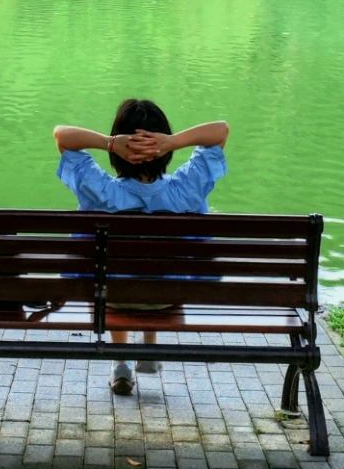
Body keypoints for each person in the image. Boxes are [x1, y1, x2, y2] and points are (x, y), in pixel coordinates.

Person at [53, 99, 230, 395]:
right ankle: (149, 348)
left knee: (115, 273)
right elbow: (221, 131)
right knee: (161, 265)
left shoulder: (101, 191)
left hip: (110, 297)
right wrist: (173, 142)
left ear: (120, 151)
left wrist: (109, 143)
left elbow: (61, 135)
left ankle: (121, 363)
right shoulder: (186, 190)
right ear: (163, 151)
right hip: (167, 296)